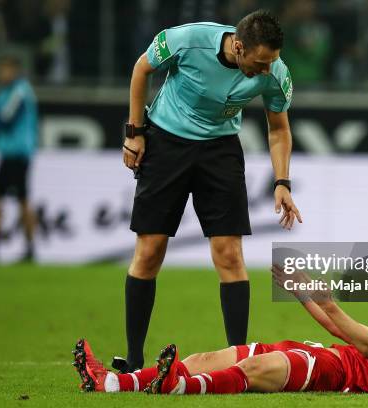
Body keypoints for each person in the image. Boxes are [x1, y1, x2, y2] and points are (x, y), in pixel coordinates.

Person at [119, 10, 302, 372]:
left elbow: (279, 129)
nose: (266, 71)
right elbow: (142, 69)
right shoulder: (187, 40)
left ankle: (239, 364)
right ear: (238, 46)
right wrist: (134, 132)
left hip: (220, 150)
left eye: (272, 63)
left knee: (229, 254)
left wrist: (282, 181)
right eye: (261, 62)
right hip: (166, 144)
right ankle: (135, 361)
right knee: (150, 250)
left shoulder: (275, 73)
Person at [72, 269, 368, 395]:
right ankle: (110, 382)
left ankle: (173, 388)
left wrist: (329, 299)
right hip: (319, 350)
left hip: (331, 371)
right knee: (207, 359)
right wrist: (305, 296)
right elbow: (344, 330)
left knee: (255, 368)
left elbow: (366, 347)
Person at [0, 56, 38, 261]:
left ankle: (30, 246)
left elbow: (3, 119)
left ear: (14, 71)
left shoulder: (20, 90)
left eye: (6, 70)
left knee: (22, 200)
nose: (2, 74)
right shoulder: (4, 93)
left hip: (19, 153)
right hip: (6, 153)